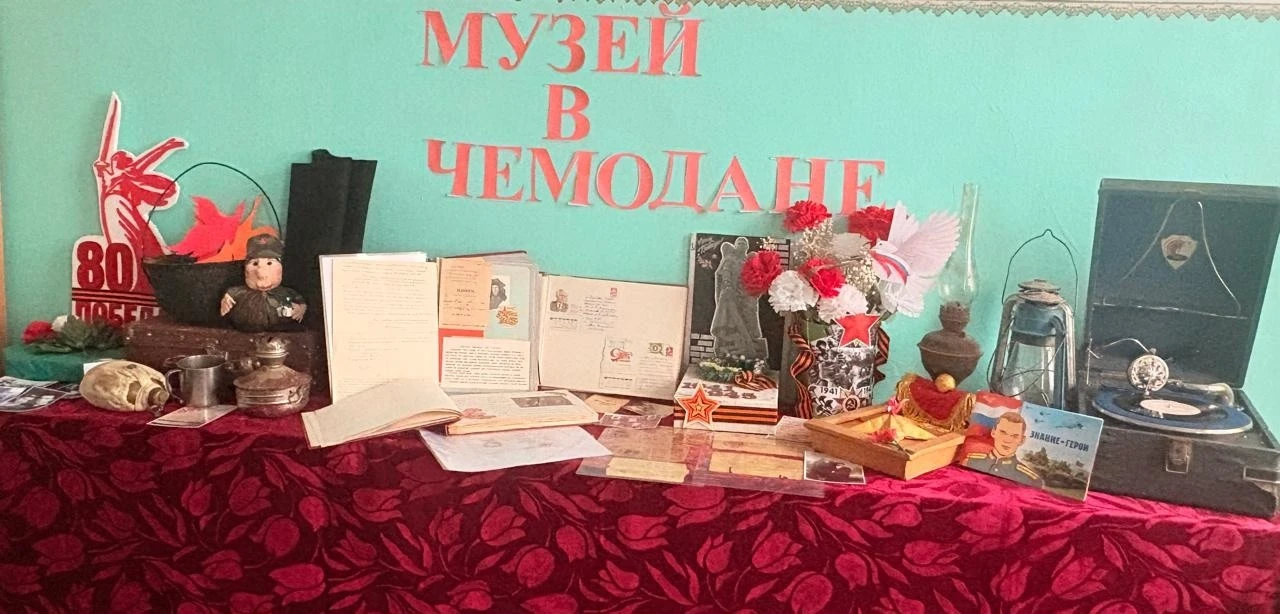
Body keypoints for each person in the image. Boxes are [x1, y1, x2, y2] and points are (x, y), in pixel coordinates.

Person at [220, 234, 306, 332]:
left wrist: (301, 308)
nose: (260, 273)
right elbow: (232, 293)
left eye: (269, 263)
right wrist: (226, 299)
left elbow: (299, 300)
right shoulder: (239, 292)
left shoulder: (286, 293)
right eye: (255, 263)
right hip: (244, 334)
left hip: (280, 335)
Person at [963, 412, 1044, 489]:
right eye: (1003, 432)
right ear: (993, 433)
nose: (1007, 440)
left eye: (1014, 436)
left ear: (1022, 440)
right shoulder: (970, 461)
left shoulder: (1031, 480)